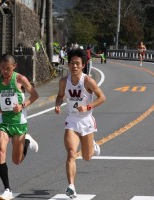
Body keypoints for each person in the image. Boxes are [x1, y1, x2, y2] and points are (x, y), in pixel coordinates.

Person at [0, 54, 39, 200]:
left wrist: (23, 105)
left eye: (8, 68)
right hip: (3, 122)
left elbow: (35, 95)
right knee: (0, 151)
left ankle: (27, 141)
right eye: (2, 68)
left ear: (14, 67)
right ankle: (7, 189)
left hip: (18, 123)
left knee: (16, 161)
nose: (5, 71)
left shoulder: (20, 79)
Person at [55, 48, 106, 198]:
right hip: (72, 120)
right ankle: (71, 186)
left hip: (86, 120)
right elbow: (59, 96)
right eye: (72, 63)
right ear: (68, 64)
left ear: (83, 65)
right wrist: (57, 104)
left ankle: (93, 146)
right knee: (71, 153)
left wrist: (88, 106)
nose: (74, 66)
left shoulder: (88, 81)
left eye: (77, 64)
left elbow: (102, 97)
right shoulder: (64, 81)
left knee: (87, 157)